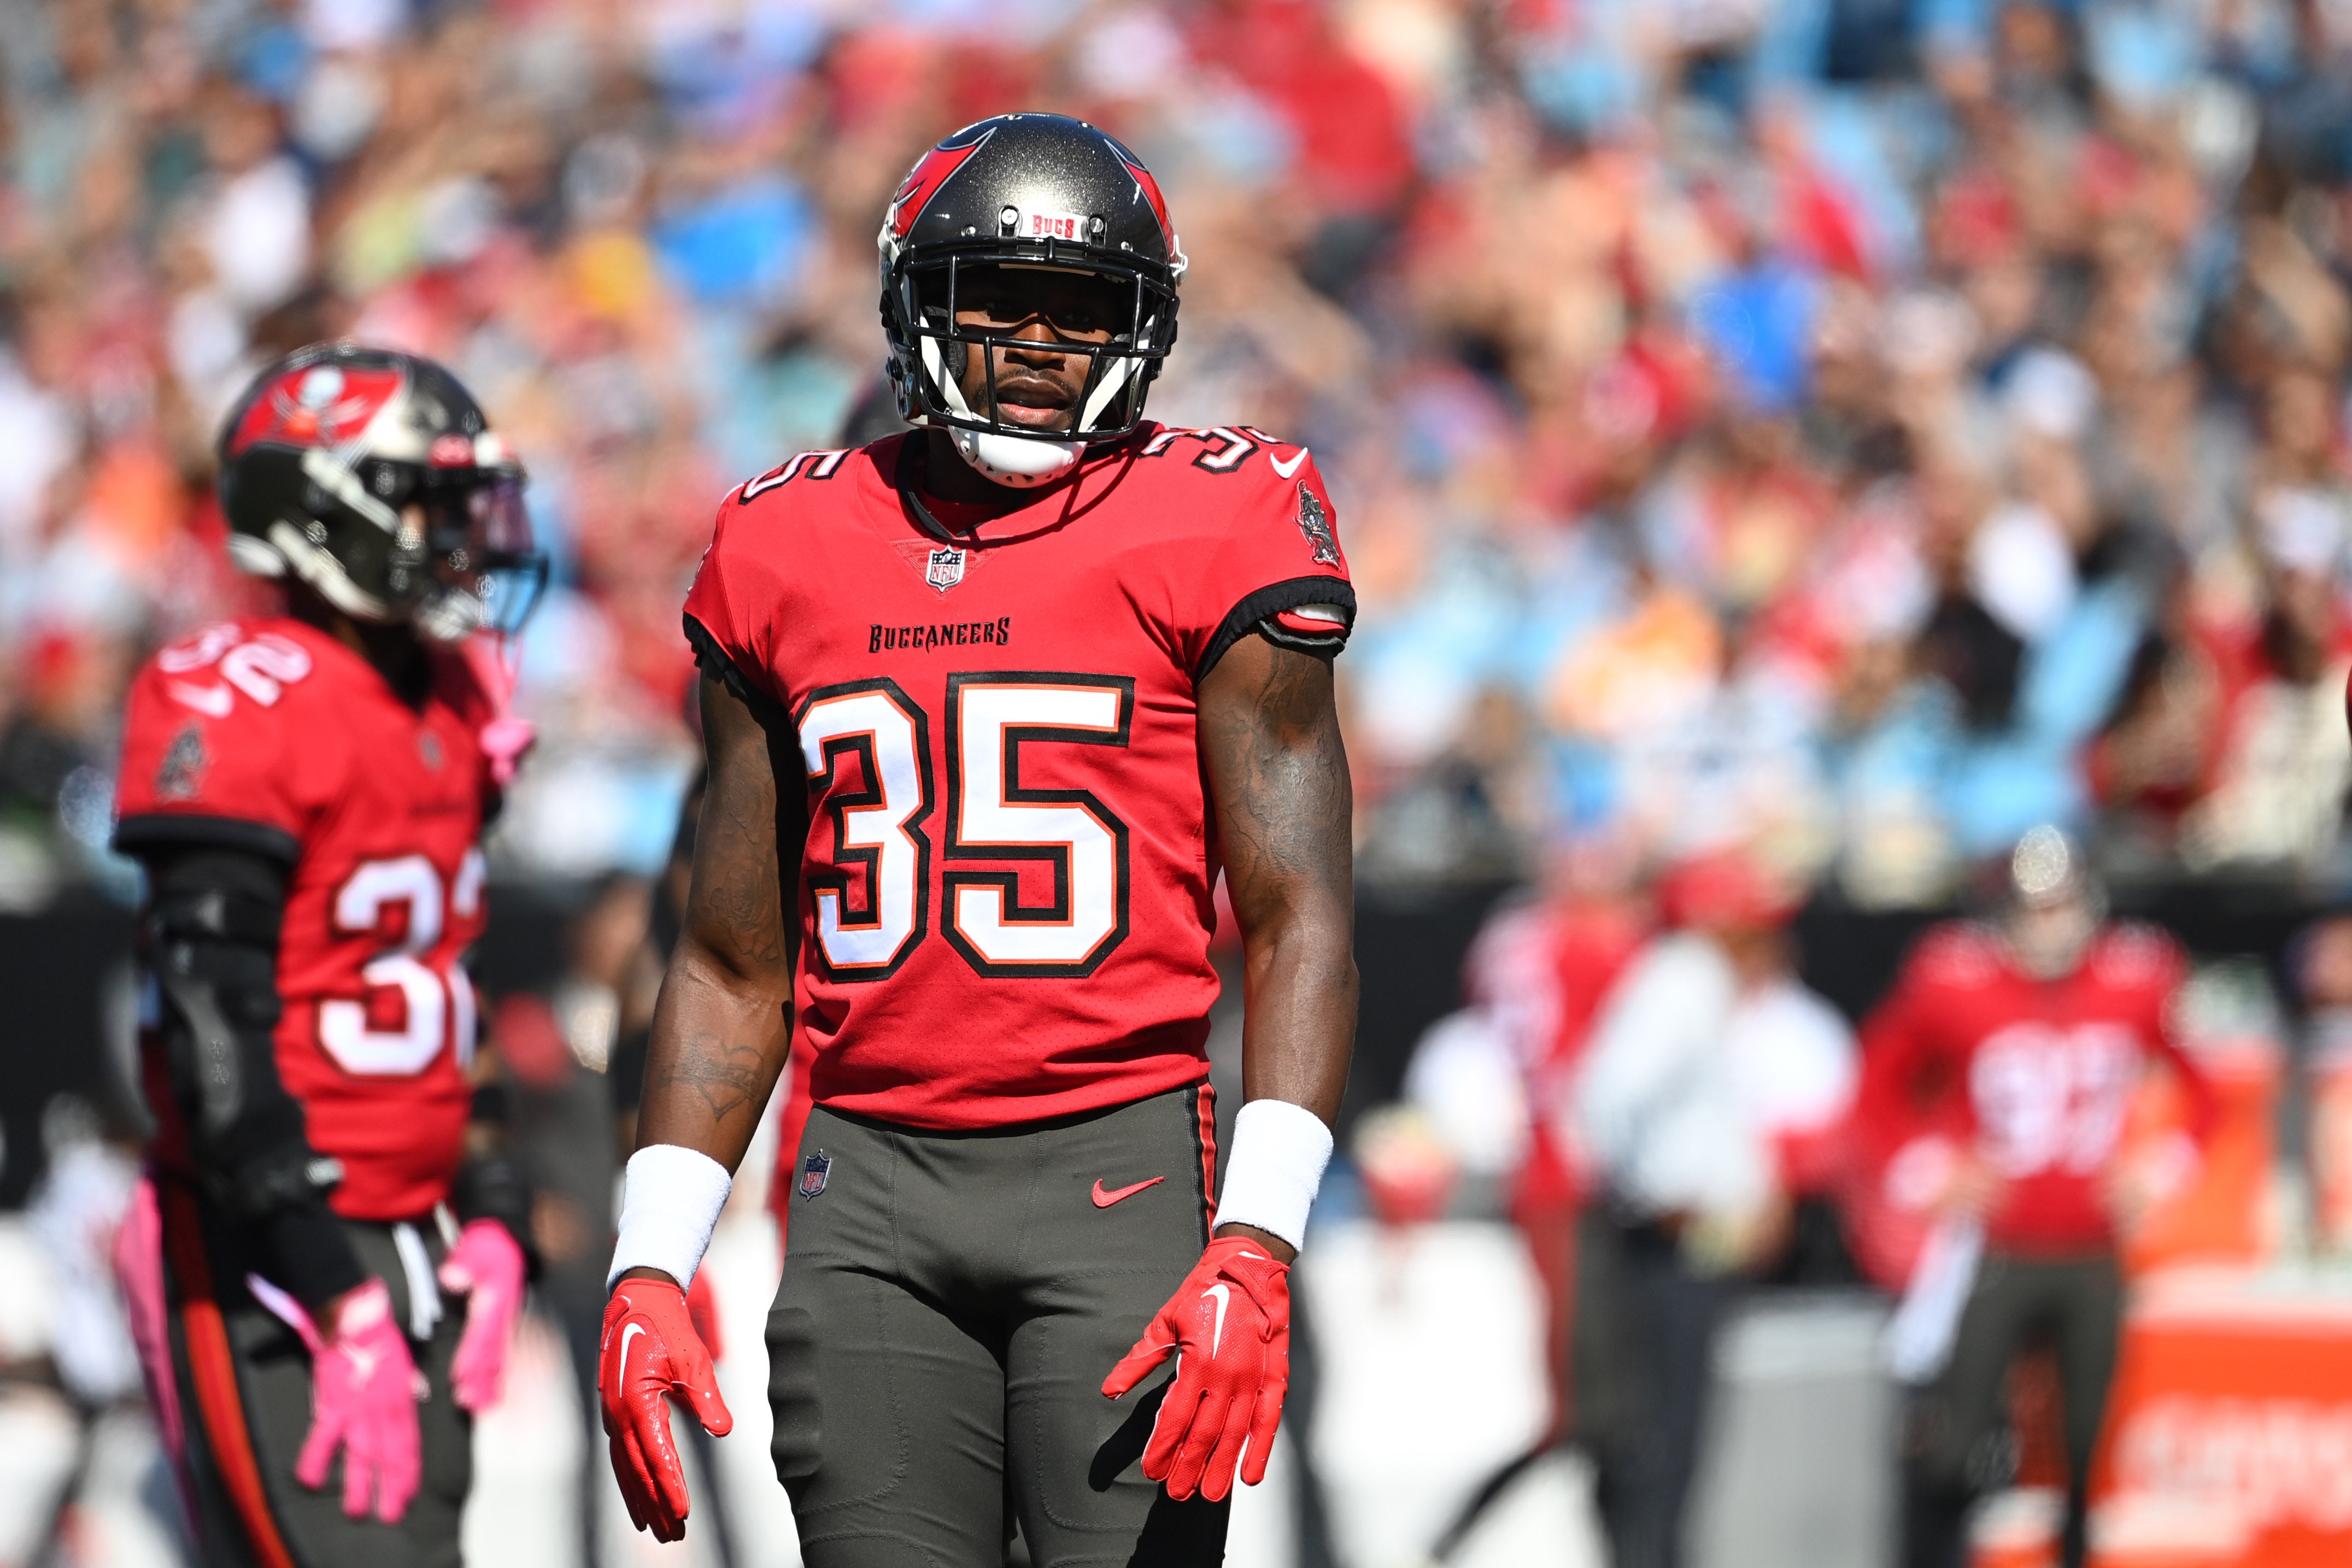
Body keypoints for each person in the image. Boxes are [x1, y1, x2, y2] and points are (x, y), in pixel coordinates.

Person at [596, 111, 1359, 1566]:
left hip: (1122, 1167)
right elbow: (729, 954)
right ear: (909, 304)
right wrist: (651, 1254)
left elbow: (1299, 911)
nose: (1034, 338)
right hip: (866, 1187)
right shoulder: (782, 542)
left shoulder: (1225, 515)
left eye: (1080, 305)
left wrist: (1258, 1239)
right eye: (992, 295)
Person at [108, 343, 546, 1568]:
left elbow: (447, 976)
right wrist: (318, 1269)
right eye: (428, 498)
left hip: (421, 1228)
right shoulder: (239, 690)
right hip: (275, 1234)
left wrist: (496, 1206)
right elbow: (209, 1012)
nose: (463, 533)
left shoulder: (456, 691)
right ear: (321, 510)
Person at [1856, 826, 2216, 1568]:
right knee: (1959, 1448)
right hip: (1999, 1247)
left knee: (2086, 1453)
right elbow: (1876, 1085)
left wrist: (2161, 1167)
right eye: (2032, 907)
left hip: (2090, 1250)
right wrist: (1931, 1169)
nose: (2049, 924)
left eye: (2060, 904)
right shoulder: (1955, 980)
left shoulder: (2135, 978)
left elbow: (2204, 1088)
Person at [1568, 847, 1857, 1568]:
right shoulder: (1684, 978)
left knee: (1676, 1433)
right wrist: (1659, 1201)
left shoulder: (1701, 983)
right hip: (1674, 1243)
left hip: (1696, 1239)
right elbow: (1607, 1098)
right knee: (1667, 1433)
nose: (1773, 941)